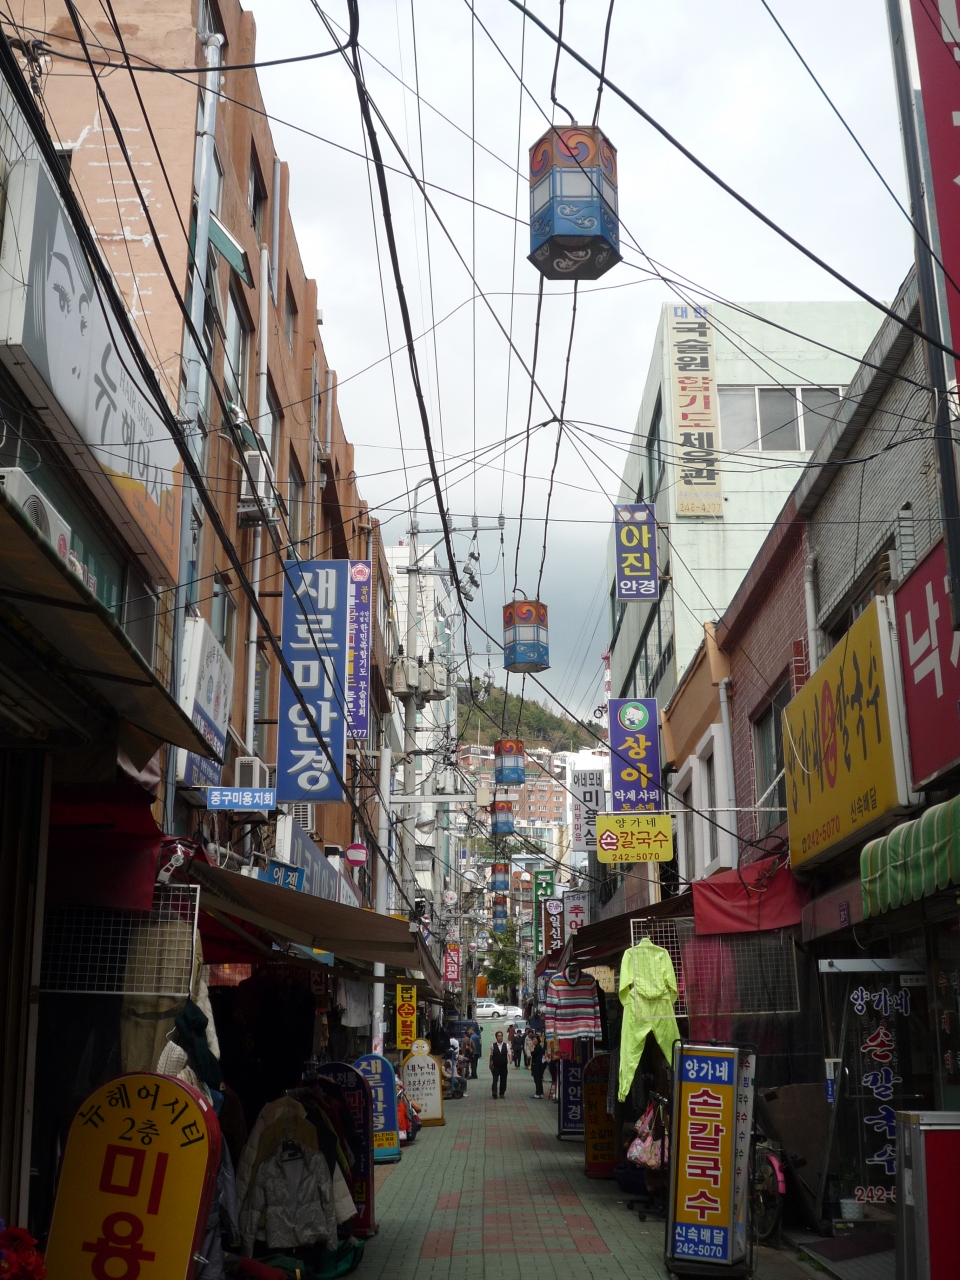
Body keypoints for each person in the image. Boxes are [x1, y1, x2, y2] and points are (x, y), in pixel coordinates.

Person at [489, 1030, 509, 1099]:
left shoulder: (506, 1045)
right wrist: (490, 1064)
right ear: (496, 1037)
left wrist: (510, 1058)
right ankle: (494, 1092)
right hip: (495, 1066)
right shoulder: (493, 1046)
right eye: (498, 1036)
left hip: (504, 1066)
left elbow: (509, 1053)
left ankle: (502, 1093)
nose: (500, 1037)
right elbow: (491, 1055)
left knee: (503, 1080)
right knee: (495, 1079)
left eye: (501, 1036)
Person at [529, 1034, 546, 1099]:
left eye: (535, 1039)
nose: (533, 1041)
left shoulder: (538, 1047)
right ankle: (540, 1093)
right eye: (533, 1039)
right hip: (538, 1065)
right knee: (538, 1079)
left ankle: (538, 1093)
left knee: (537, 1080)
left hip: (537, 1065)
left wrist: (531, 1047)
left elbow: (532, 1054)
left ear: (538, 1040)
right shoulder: (538, 1047)